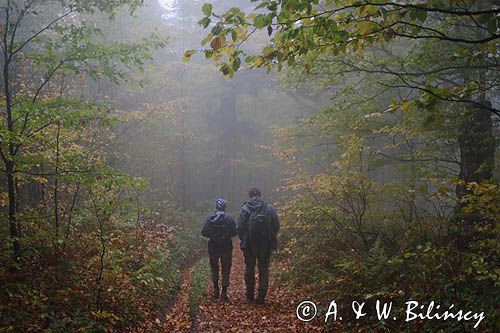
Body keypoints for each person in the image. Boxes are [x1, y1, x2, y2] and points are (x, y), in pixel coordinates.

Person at [237, 187, 280, 304]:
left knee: (250, 268)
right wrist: (269, 237)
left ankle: (250, 293)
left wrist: (244, 239)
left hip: (250, 244)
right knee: (263, 269)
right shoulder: (269, 208)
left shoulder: (245, 208)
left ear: (250, 195)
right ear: (259, 195)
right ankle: (261, 296)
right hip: (265, 244)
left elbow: (240, 227)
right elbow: (276, 225)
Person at [201, 198, 237, 301]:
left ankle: (216, 288)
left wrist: (213, 236)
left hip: (213, 247)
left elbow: (204, 232)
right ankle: (224, 291)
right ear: (225, 207)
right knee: (226, 269)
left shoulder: (209, 218)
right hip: (226, 247)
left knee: (214, 268)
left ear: (216, 207)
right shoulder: (229, 218)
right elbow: (235, 232)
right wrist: (225, 236)